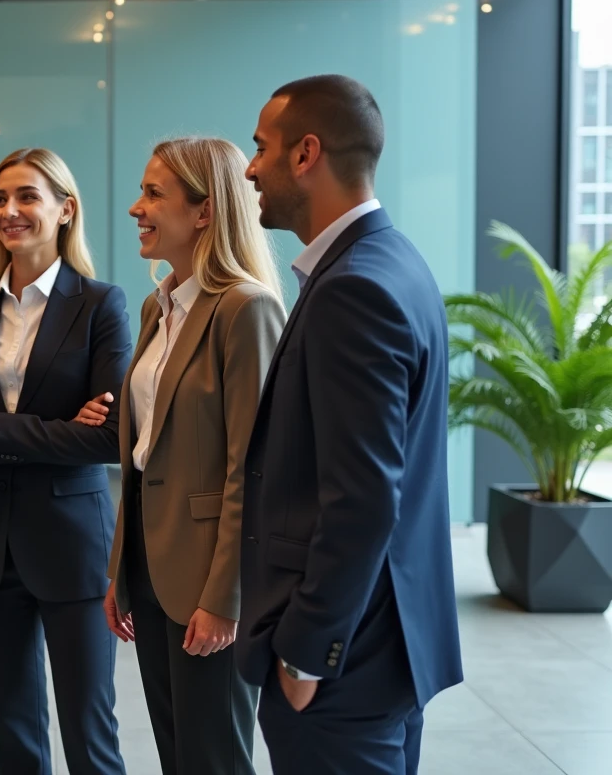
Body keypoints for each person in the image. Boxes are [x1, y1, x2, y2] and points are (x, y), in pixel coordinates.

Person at [238, 74, 464, 774]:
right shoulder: (395, 261)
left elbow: (363, 497)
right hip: (387, 650)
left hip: (342, 667)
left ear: (306, 154)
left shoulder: (354, 288)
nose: (249, 168)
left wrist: (308, 652)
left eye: (260, 148)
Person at [104, 136, 286, 775]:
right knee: (178, 753)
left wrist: (227, 597)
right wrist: (121, 569)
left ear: (204, 212)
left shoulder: (246, 308)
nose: (136, 208)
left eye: (154, 193)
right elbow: (143, 454)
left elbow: (252, 468)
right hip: (152, 570)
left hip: (208, 580)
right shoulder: (160, 308)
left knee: (214, 759)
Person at [0, 148, 132, 775]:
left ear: (64, 209)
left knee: (90, 729)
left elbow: (109, 441)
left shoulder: (100, 304)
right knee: (15, 729)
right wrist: (54, 429)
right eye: (1, 200)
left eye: (28, 196)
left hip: (71, 542)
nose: (10, 211)